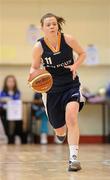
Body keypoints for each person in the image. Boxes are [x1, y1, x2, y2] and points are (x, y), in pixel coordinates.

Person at [28, 13, 86, 171]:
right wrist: (33, 76)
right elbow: (34, 67)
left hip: (70, 85)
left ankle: (73, 159)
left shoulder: (68, 39)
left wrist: (75, 66)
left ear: (57, 25)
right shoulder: (38, 47)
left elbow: (83, 53)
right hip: (51, 89)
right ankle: (60, 134)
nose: (52, 26)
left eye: (54, 23)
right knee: (59, 129)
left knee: (72, 117)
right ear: (43, 28)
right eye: (48, 24)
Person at [0, 75, 24, 144]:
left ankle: (16, 136)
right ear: (6, 82)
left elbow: (17, 101)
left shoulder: (17, 92)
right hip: (4, 112)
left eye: (12, 81)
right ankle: (8, 137)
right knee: (6, 124)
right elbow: (1, 103)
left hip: (14, 112)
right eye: (9, 81)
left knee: (18, 122)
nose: (11, 83)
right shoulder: (2, 92)